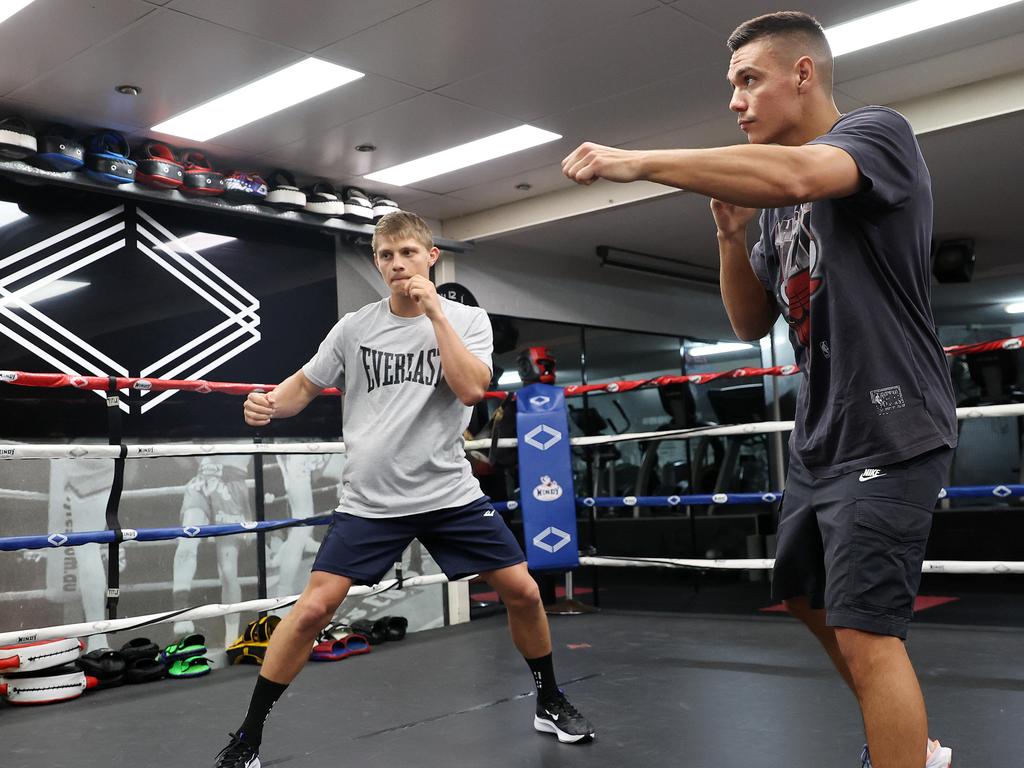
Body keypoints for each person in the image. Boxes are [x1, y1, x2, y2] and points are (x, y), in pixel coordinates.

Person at [562, 11, 956, 768]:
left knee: (870, 632)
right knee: (806, 595)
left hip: (891, 426)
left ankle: (909, 756)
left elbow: (804, 172)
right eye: (732, 86)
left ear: (802, 74)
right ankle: (910, 743)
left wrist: (641, 161)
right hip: (821, 437)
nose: (736, 102)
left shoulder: (878, 134)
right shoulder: (775, 211)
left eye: (749, 81)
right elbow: (749, 322)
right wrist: (729, 235)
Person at [212, 211, 594, 768]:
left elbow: (469, 390)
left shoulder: (468, 320)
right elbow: (302, 386)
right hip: (371, 500)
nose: (397, 265)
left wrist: (436, 313)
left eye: (408, 253)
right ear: (376, 263)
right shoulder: (354, 327)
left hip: (448, 495)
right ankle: (249, 734)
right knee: (315, 608)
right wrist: (266, 404)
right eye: (386, 256)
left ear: (430, 257)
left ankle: (549, 698)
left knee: (526, 592)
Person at [172, 454, 253, 648]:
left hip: (231, 483)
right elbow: (183, 457)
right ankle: (180, 612)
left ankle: (231, 639)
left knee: (227, 570)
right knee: (187, 540)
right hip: (201, 481)